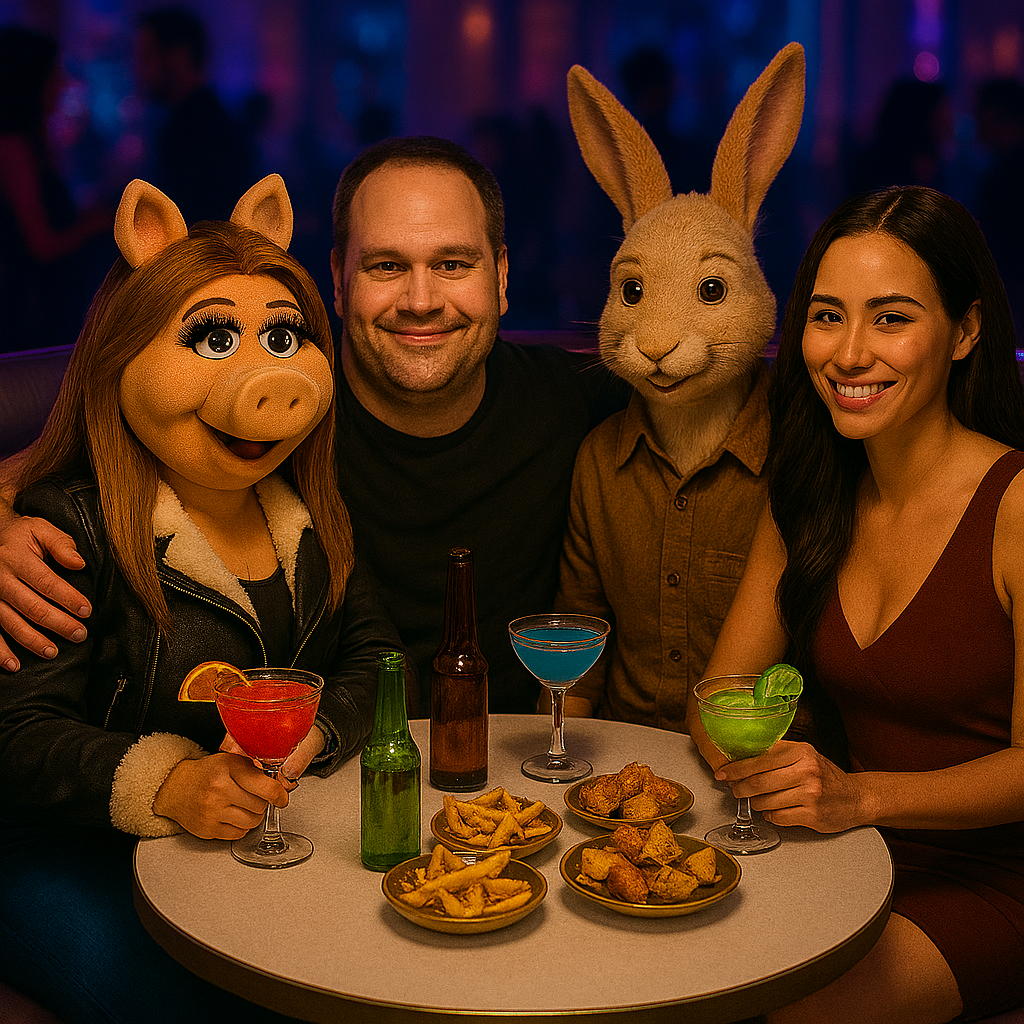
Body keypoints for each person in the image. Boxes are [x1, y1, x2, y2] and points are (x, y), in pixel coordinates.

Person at [0, 136, 628, 715]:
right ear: (337, 279)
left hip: (519, 775)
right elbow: (58, 456)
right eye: (385, 266)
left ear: (502, 276)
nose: (420, 300)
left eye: (453, 264)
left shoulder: (570, 396)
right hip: (323, 776)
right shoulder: (275, 423)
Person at [0, 176, 399, 1023]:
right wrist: (170, 783)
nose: (268, 377)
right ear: (123, 356)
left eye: (284, 337)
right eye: (215, 339)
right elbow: (16, 737)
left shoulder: (310, 513)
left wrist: (316, 733)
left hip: (238, 847)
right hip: (64, 855)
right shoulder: (62, 529)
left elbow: (375, 658)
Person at [686, 185, 1024, 1023]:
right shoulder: (807, 500)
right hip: (836, 853)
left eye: (893, 318)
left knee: (779, 1009)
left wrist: (859, 796)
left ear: (966, 331)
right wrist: (765, 772)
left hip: (996, 879)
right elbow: (715, 694)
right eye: (828, 316)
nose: (849, 353)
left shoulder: (1016, 507)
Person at [0, 25, 111, 352]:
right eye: (54, 76)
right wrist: (95, 223)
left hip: (45, 296)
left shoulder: (33, 142)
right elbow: (42, 245)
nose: (62, 85)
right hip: (34, 302)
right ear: (31, 81)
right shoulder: (14, 148)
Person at [133, 7, 257, 224]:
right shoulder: (210, 121)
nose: (138, 69)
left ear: (179, 56)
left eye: (147, 55)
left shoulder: (198, 131)